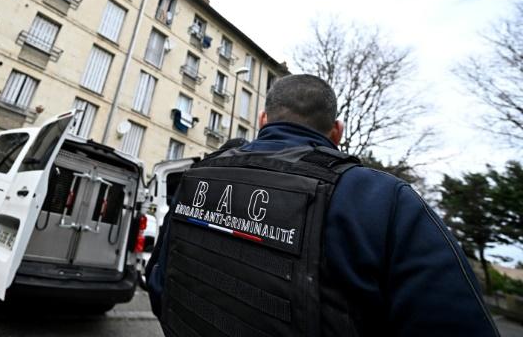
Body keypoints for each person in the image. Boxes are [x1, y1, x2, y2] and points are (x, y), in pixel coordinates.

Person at [146, 74, 499, 336]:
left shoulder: (198, 177)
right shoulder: (384, 201)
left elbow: (160, 286)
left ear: (263, 121)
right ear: (337, 131)